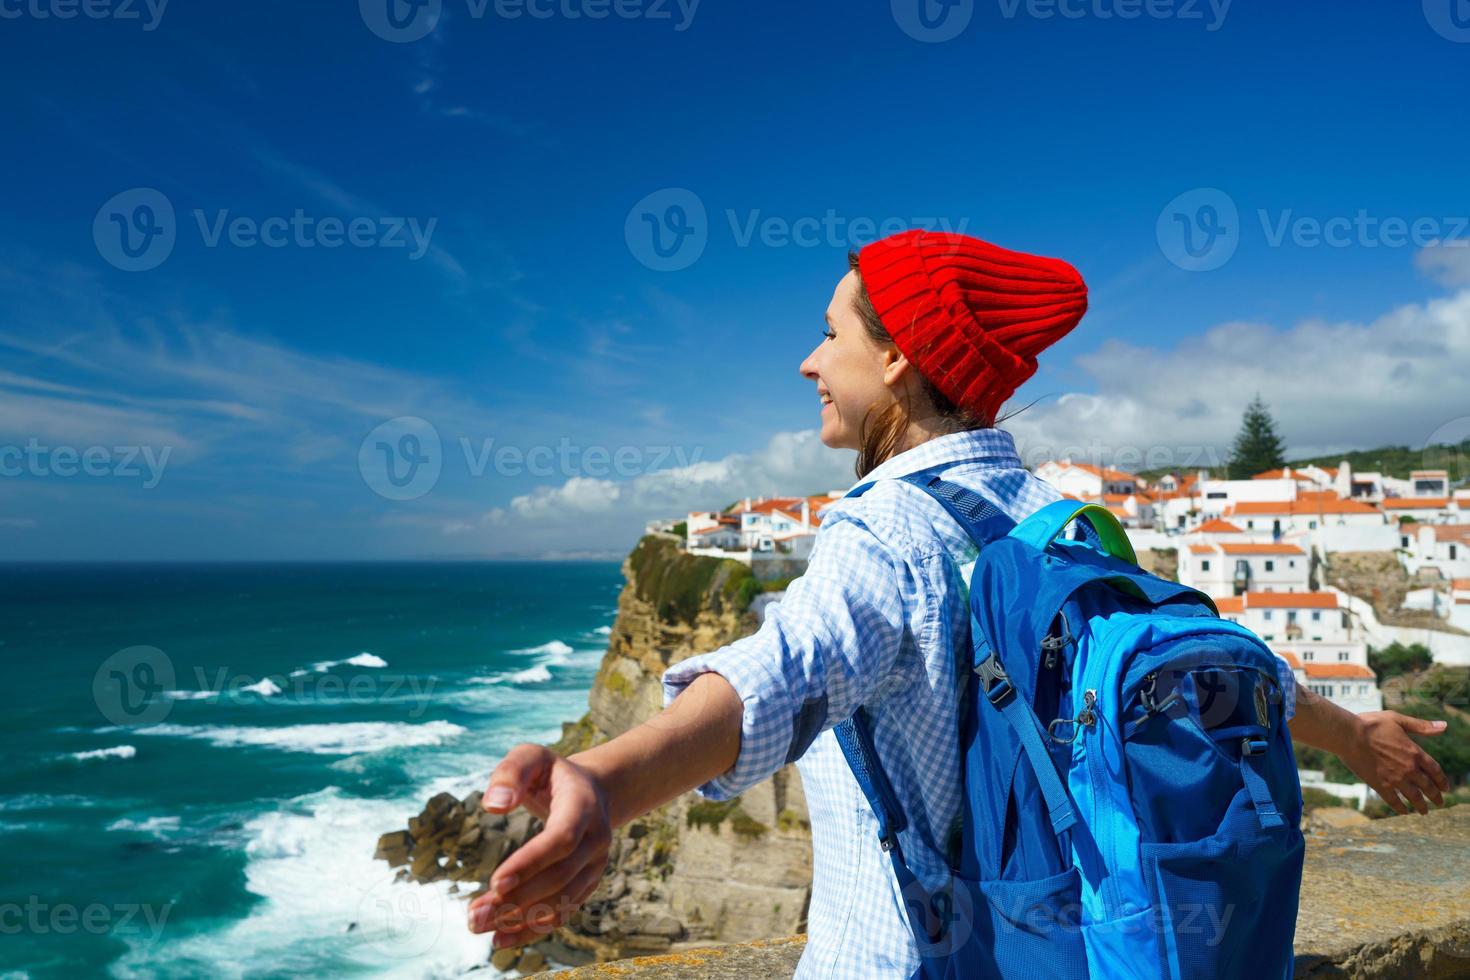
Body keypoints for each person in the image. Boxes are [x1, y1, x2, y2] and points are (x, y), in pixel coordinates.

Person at [466, 229, 1450, 976]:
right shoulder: (1063, 520)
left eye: (829, 333)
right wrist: (1354, 735)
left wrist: (603, 775)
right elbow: (1232, 668)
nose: (810, 362)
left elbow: (786, 671)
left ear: (897, 359)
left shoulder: (884, 528)